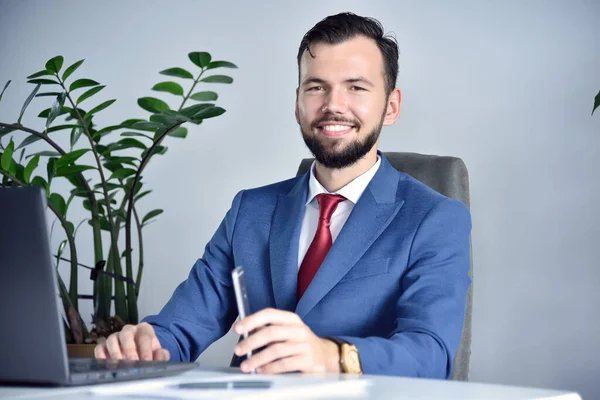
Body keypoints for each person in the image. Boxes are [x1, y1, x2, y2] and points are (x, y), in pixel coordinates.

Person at [95, 12, 471, 379]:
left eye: (355, 87)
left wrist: (331, 355)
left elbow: (431, 354)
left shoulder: (435, 218)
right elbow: (180, 328)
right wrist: (144, 342)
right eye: (316, 87)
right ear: (297, 102)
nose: (332, 105)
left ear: (391, 106)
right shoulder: (250, 210)